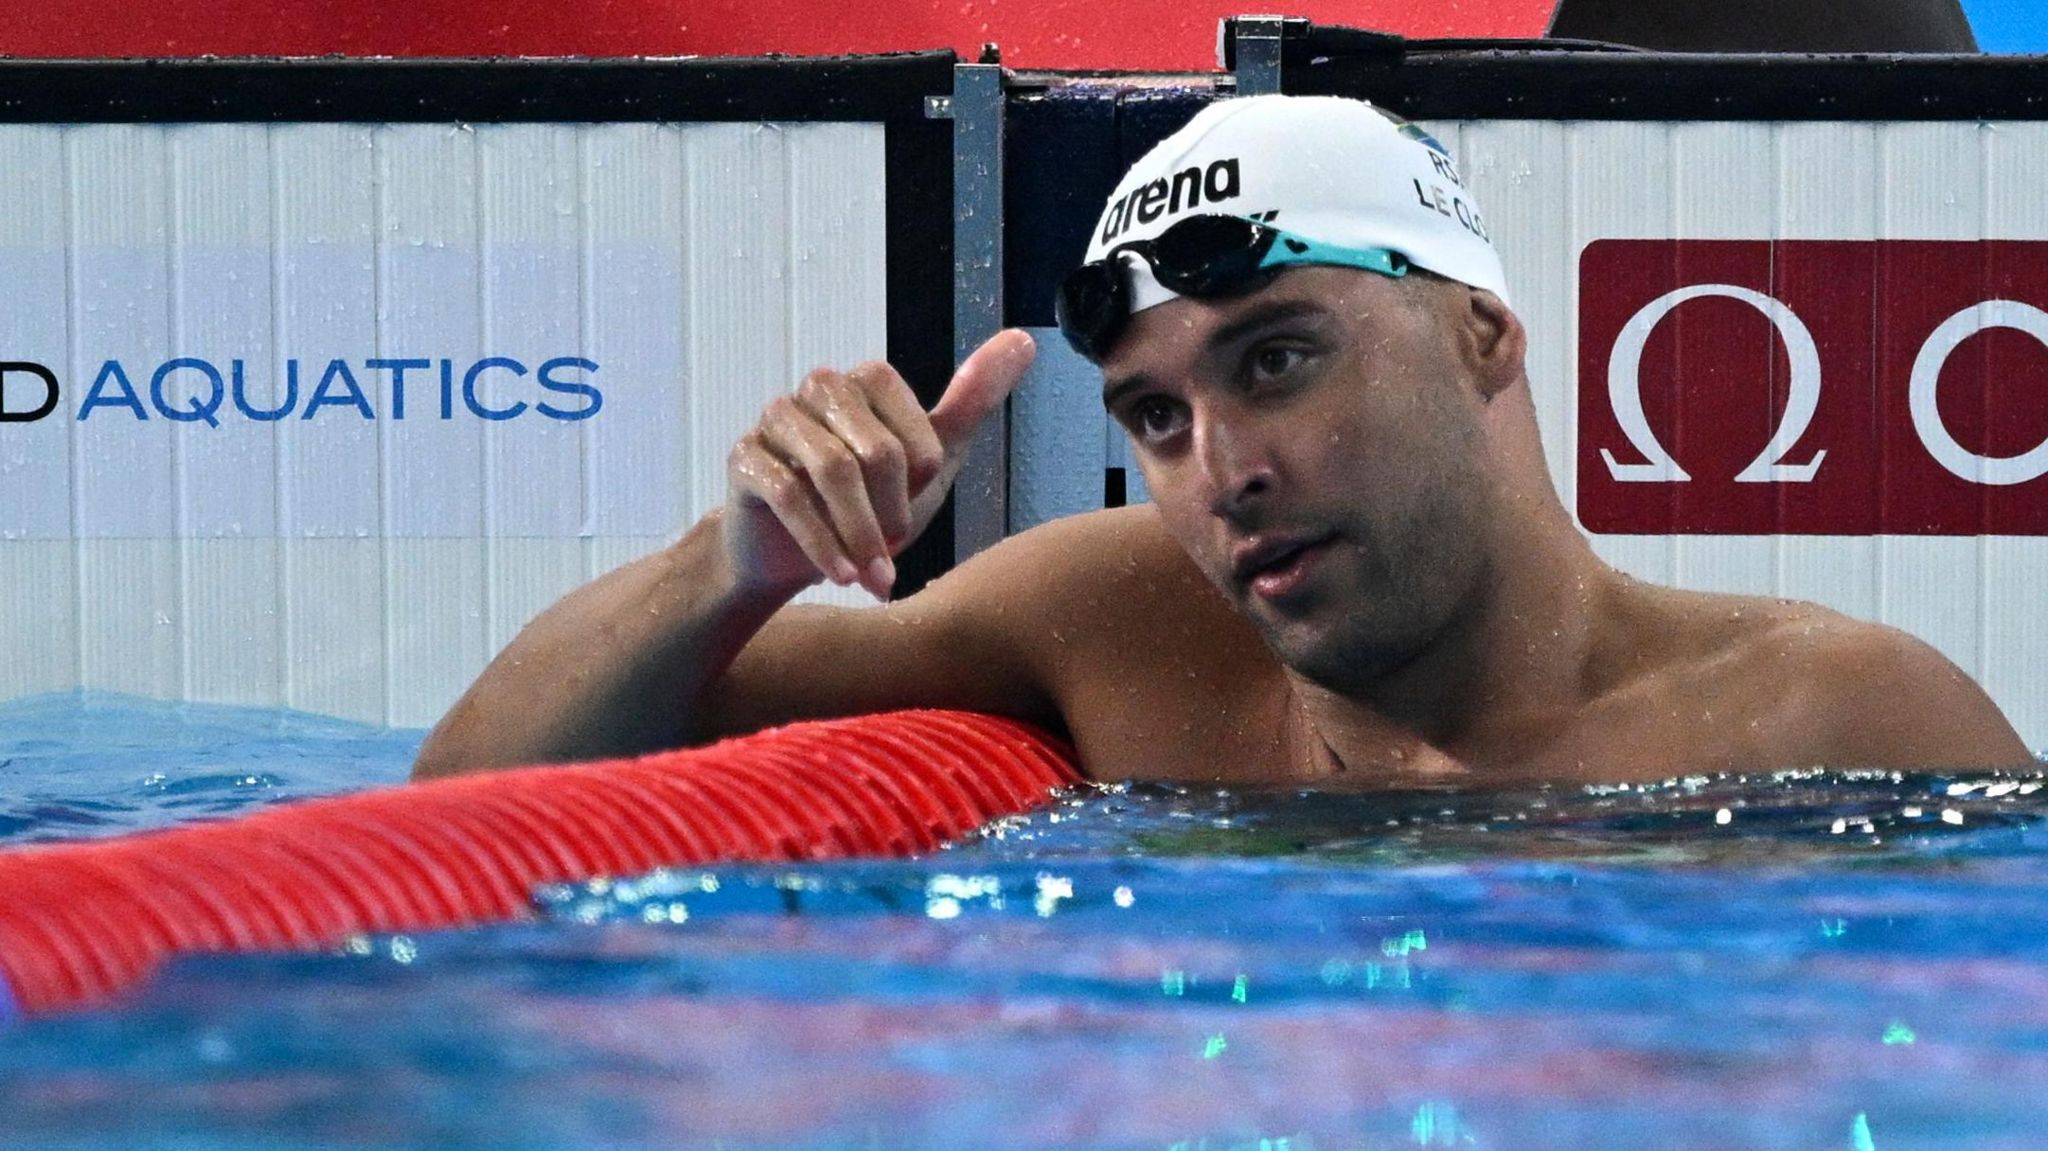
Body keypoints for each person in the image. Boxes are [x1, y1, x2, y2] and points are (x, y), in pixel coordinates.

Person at [413, 95, 2030, 788]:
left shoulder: (1830, 719)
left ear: (1485, 335)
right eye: (1155, 417)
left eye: (1279, 361)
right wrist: (735, 568)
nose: (1221, 469)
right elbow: (471, 794)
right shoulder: (1116, 623)